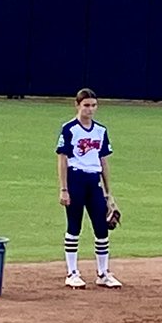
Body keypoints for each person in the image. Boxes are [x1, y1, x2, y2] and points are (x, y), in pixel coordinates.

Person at [56, 88, 121, 289]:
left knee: (101, 227)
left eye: (93, 105)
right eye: (86, 105)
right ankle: (72, 272)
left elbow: (103, 161)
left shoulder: (101, 130)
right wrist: (64, 189)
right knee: (74, 226)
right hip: (75, 179)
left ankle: (103, 273)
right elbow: (62, 159)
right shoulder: (69, 129)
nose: (90, 109)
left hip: (94, 182)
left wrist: (109, 193)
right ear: (77, 105)